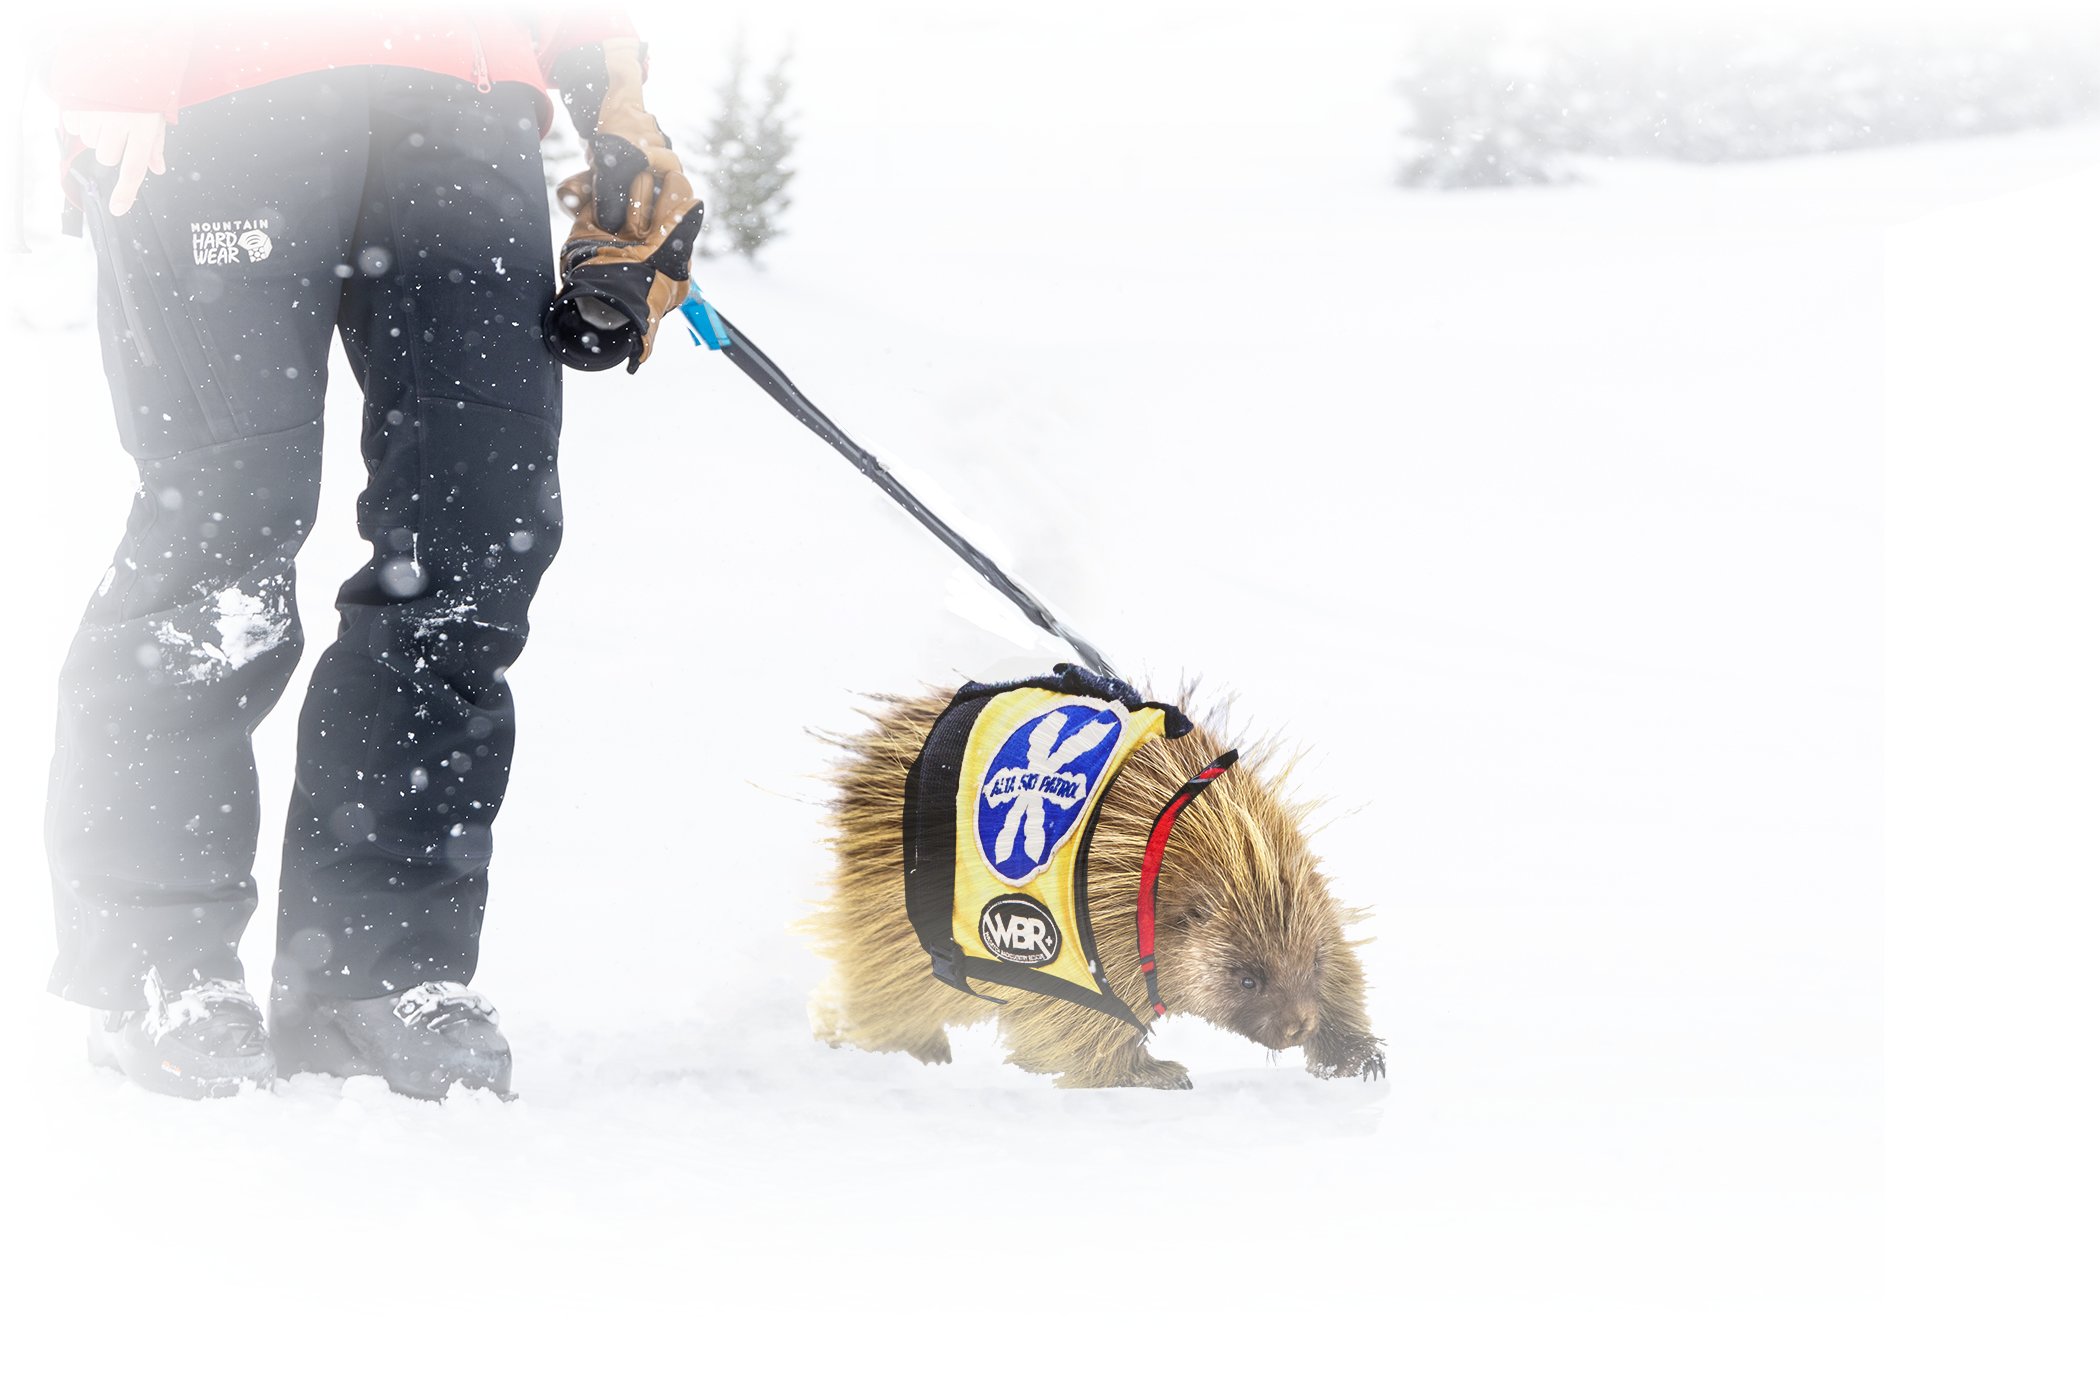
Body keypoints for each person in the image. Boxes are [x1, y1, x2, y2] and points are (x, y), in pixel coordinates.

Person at [40, 7, 702, 1099]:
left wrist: (618, 114)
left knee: (476, 531)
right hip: (211, 82)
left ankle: (370, 966)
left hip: (468, 95)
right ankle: (157, 958)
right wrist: (109, 51)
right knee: (222, 533)